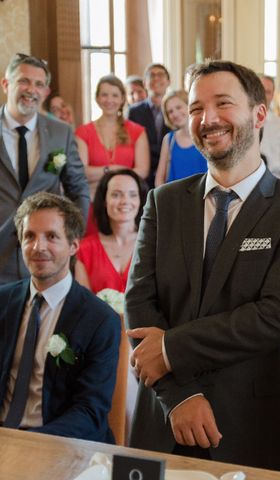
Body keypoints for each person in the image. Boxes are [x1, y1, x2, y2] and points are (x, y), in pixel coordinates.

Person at [125, 60, 280, 472]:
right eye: (197, 108)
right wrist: (178, 395)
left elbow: (277, 316)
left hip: (257, 424)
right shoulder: (163, 202)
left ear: (258, 113)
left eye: (222, 104)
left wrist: (170, 349)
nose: (207, 119)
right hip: (164, 419)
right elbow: (140, 303)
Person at [0, 192, 120, 442]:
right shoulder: (3, 301)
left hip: (61, 442)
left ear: (74, 245)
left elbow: (90, 410)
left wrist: (28, 444)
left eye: (51, 237)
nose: (38, 247)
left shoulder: (100, 319)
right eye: (29, 236)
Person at [0, 53, 89, 284]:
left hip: (47, 254)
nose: (32, 90)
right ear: (5, 84)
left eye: (39, 84)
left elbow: (78, 188)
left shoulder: (61, 132)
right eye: (24, 81)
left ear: (46, 92)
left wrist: (71, 236)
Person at [75, 75, 150, 200]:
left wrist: (102, 177)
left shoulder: (137, 131)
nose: (109, 100)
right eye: (104, 95)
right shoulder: (83, 132)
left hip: (126, 201)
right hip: (93, 200)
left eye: (115, 95)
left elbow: (142, 171)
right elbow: (81, 171)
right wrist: (110, 169)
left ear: (122, 99)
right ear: (97, 98)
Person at [75, 169, 146, 294]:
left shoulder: (155, 246)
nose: (125, 201)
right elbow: (84, 304)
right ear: (104, 201)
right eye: (116, 194)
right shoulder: (84, 250)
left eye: (133, 194)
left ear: (140, 201)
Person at [127, 63, 172, 188]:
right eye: (151, 75)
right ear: (145, 83)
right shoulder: (134, 112)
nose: (156, 78)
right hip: (143, 178)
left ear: (168, 82)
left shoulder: (177, 110)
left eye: (160, 75)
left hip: (170, 175)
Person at [154, 90, 207, 186]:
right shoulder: (169, 139)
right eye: (170, 111)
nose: (175, 114)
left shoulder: (206, 135)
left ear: (189, 105)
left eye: (178, 107)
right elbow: (159, 178)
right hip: (173, 198)